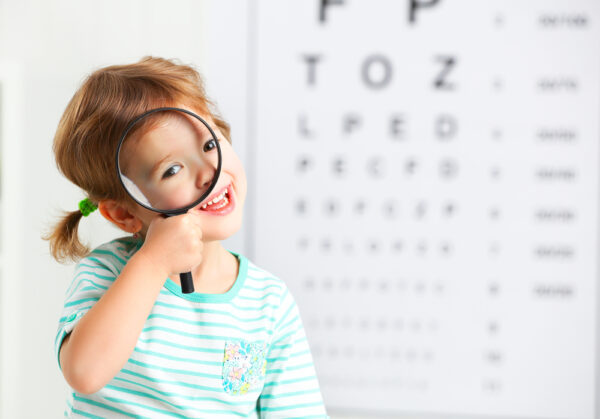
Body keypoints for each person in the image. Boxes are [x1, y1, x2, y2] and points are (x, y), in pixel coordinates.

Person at [46, 56, 328, 418]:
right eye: (172, 169)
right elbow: (84, 373)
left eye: (210, 145)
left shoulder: (268, 304)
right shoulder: (108, 272)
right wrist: (152, 262)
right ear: (124, 213)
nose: (208, 173)